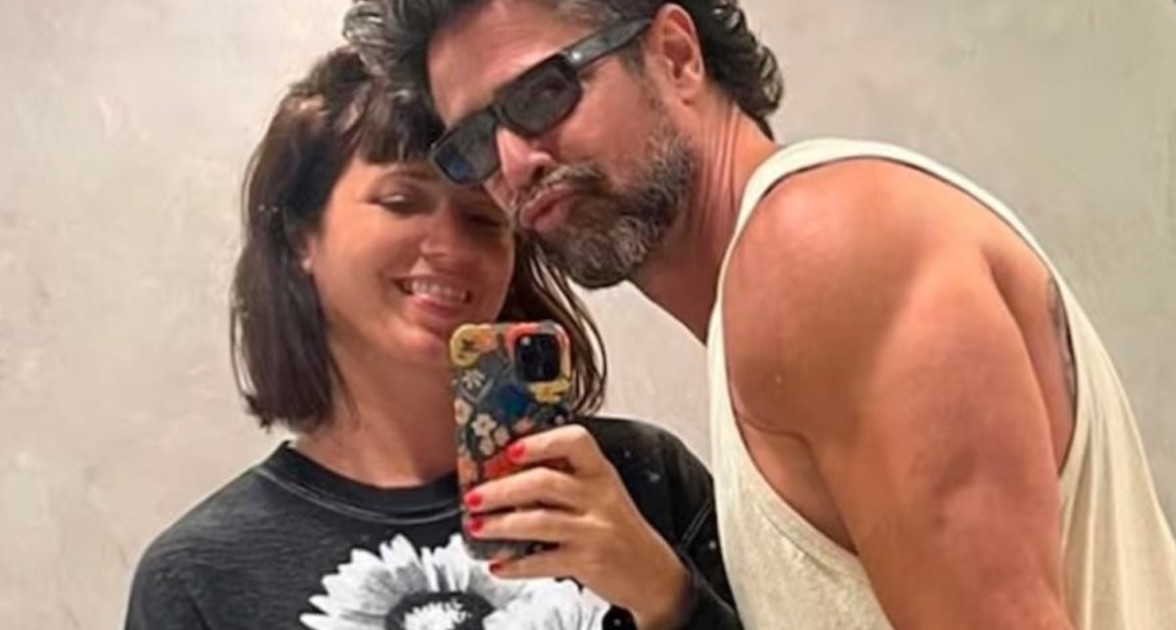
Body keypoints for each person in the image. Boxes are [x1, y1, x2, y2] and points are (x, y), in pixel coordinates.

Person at [342, 1, 1176, 628]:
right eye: (473, 142)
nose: (514, 162)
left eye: (542, 94)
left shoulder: (817, 247)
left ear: (676, 56)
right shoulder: (771, 288)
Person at [123, 46, 741, 630]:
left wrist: (665, 597)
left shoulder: (641, 478)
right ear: (300, 237)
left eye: (482, 218)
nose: (450, 248)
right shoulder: (203, 579)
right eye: (401, 201)